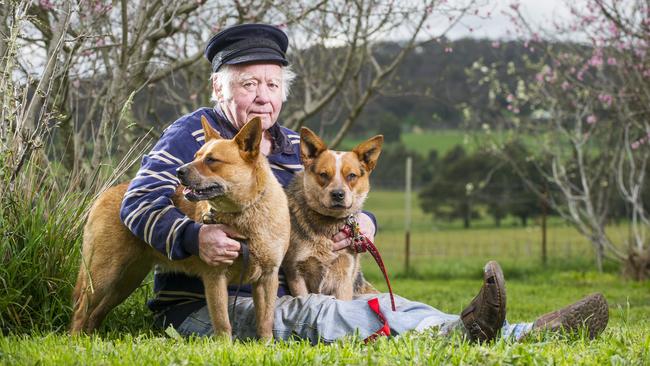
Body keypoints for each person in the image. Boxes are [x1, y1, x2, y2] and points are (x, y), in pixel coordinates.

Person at [120, 24, 609, 343]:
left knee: (381, 302)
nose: (262, 96)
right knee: (324, 317)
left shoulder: (292, 145)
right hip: (210, 305)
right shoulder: (192, 136)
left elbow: (335, 199)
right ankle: (471, 336)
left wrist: (365, 222)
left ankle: (522, 331)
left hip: (289, 286)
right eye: (247, 83)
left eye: (271, 84)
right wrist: (195, 235)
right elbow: (138, 203)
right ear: (218, 88)